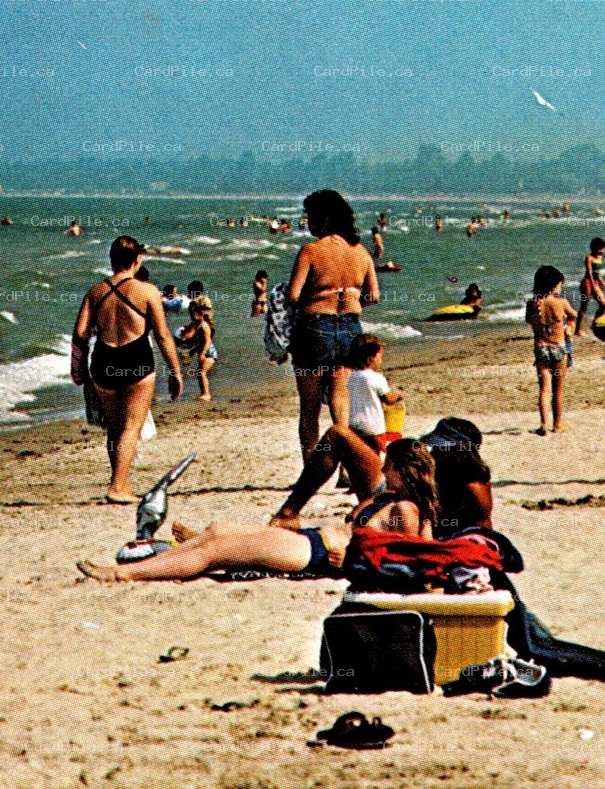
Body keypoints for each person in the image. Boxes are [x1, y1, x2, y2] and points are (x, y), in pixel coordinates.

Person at [81, 439, 440, 582]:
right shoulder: (391, 499)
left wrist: (347, 563)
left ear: (402, 469)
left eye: (388, 464)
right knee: (219, 531)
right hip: (309, 541)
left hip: (314, 553)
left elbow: (407, 558)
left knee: (216, 549)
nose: (382, 469)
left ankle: (122, 574)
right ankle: (142, 565)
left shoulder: (405, 509)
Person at [72, 237, 184, 503]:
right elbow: (163, 336)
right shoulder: (147, 291)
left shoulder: (95, 292)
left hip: (103, 361)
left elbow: (80, 333)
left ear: (111, 260)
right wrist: (176, 372)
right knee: (132, 426)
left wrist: (79, 368)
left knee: (114, 427)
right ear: (137, 260)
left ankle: (119, 482)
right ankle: (118, 487)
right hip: (136, 360)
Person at [287, 190, 379, 461]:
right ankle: (347, 468)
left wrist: (316, 299)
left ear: (326, 218)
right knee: (341, 400)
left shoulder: (311, 251)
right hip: (350, 327)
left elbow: (293, 295)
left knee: (310, 406)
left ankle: (312, 469)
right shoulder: (360, 252)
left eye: (311, 216)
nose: (308, 222)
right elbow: (373, 295)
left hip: (314, 326)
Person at [526, 265, 576, 436]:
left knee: (544, 389)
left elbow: (530, 321)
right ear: (554, 285)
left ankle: (543, 423)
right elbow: (574, 315)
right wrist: (567, 325)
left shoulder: (532, 304)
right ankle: (557, 424)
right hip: (558, 348)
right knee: (558, 390)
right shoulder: (560, 303)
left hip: (541, 348)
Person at [346, 333, 401, 450]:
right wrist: (398, 396)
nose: (380, 360)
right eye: (380, 356)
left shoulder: (352, 377)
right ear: (371, 357)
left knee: (359, 454)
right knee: (378, 454)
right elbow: (388, 400)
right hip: (373, 427)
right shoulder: (377, 378)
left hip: (354, 424)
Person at [178, 300, 217, 401]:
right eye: (190, 313)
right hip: (202, 352)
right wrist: (191, 351)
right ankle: (203, 393)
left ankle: (206, 394)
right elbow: (197, 342)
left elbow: (207, 341)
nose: (191, 316)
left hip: (210, 354)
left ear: (200, 313)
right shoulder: (195, 325)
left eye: (193, 313)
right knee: (199, 372)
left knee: (201, 372)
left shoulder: (204, 325)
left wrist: (202, 354)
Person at [573, 238, 605, 337]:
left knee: (603, 304)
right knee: (584, 306)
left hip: (595, 282)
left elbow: (597, 272)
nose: (601, 251)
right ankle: (577, 330)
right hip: (587, 282)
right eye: (600, 248)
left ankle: (595, 323)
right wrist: (593, 284)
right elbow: (589, 272)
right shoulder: (589, 258)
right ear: (594, 247)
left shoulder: (600, 256)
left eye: (602, 249)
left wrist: (601, 282)